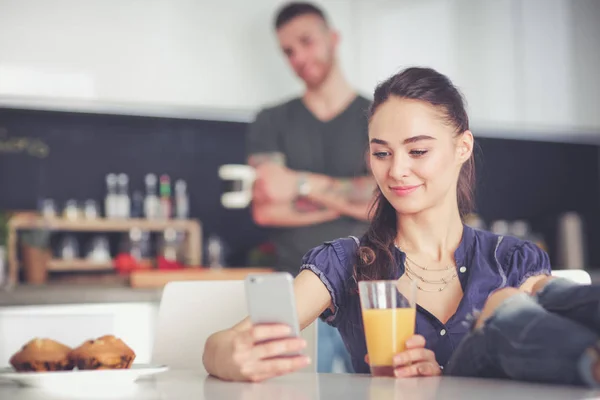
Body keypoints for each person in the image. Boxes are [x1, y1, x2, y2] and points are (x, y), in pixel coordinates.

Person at [204, 66, 600, 387]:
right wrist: (233, 358)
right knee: (501, 307)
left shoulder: (511, 260)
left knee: (516, 303)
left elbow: (546, 348)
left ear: (462, 147)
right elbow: (219, 344)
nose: (396, 170)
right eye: (381, 153)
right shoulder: (346, 263)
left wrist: (440, 379)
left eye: (418, 151)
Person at [246, 2, 374, 373]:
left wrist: (300, 184)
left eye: (306, 41)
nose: (298, 56)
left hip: (368, 294)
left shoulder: (378, 115)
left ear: (333, 38)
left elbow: (384, 199)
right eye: (288, 51)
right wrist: (351, 196)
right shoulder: (270, 121)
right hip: (294, 297)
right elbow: (266, 208)